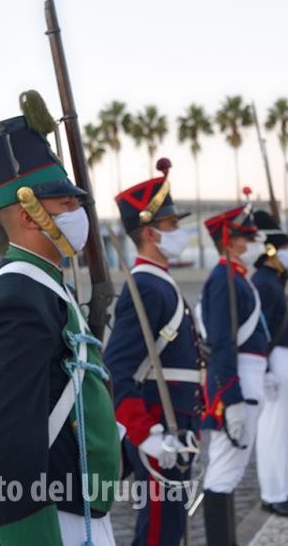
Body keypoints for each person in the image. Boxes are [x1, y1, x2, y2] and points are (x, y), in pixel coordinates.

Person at [0, 92, 120, 546]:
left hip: (84, 510)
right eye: (65, 205)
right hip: (56, 521)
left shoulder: (48, 288)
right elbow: (9, 447)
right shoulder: (17, 300)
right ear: (27, 213)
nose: (78, 214)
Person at [103, 159, 203, 546]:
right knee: (159, 531)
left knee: (171, 526)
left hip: (177, 425)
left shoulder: (161, 282)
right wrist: (145, 434)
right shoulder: (146, 284)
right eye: (171, 225)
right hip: (160, 425)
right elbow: (117, 367)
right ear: (149, 232)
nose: (179, 232)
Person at [199, 205, 269, 546]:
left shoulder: (235, 277)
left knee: (231, 472)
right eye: (246, 236)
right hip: (236, 382)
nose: (252, 241)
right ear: (229, 241)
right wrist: (232, 398)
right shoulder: (224, 279)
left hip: (248, 378)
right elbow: (223, 342)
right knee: (223, 473)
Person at [250, 210, 288, 518]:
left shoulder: (273, 279)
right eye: (284, 247)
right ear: (271, 250)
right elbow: (260, 328)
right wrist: (265, 369)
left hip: (285, 358)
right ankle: (273, 493)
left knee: (283, 430)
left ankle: (283, 489)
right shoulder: (263, 281)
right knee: (273, 429)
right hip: (274, 361)